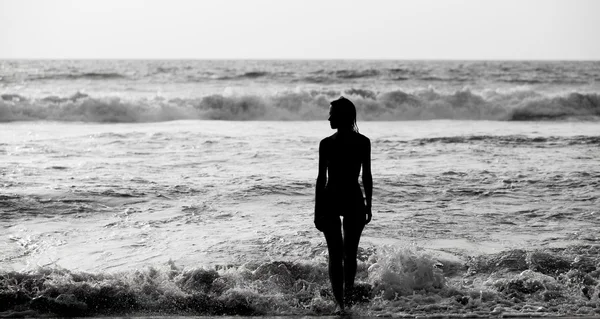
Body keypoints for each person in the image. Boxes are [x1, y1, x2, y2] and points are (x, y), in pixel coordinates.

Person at [314, 96, 372, 312]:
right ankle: (342, 300)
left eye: (332, 113)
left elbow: (367, 175)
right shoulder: (330, 143)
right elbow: (321, 178)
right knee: (343, 253)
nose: (328, 117)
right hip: (344, 198)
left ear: (341, 116)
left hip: (344, 198)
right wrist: (369, 205)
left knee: (344, 253)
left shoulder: (357, 142)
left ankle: (342, 301)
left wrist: (368, 205)